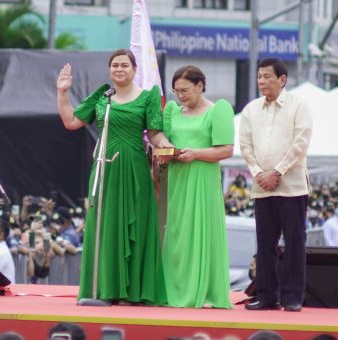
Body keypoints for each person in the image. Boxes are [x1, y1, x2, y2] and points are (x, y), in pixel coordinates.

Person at [56, 49, 171, 305]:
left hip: (134, 167)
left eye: (124, 65)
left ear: (134, 69)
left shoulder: (147, 97)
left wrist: (167, 144)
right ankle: (104, 289)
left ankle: (133, 292)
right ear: (110, 69)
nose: (119, 69)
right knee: (104, 225)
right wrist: (62, 92)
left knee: (137, 225)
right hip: (104, 167)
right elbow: (71, 122)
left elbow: (155, 133)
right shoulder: (102, 97)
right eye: (115, 65)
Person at [239, 58, 313, 312]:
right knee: (265, 244)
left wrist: (278, 172)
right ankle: (267, 295)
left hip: (292, 186)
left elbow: (300, 143)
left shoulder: (299, 106)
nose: (262, 81)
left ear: (282, 79)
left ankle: (292, 297)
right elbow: (245, 146)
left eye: (267, 76)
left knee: (294, 243)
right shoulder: (250, 110)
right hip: (262, 186)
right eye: (259, 76)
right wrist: (259, 173)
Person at [160, 65, 234, 308]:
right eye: (176, 91)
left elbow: (226, 149)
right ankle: (176, 288)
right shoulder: (173, 111)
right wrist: (167, 150)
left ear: (200, 85)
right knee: (178, 233)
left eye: (185, 90)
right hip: (177, 177)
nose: (181, 95)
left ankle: (205, 292)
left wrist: (197, 154)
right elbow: (163, 138)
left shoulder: (217, 110)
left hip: (202, 176)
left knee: (201, 230)